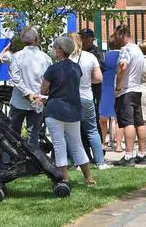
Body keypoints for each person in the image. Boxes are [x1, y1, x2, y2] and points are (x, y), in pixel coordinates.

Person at [39, 37, 96, 185]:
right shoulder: (76, 68)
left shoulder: (52, 69)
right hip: (74, 109)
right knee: (77, 144)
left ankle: (64, 178)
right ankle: (88, 177)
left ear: (60, 50)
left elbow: (43, 89)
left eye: (55, 47)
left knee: (59, 145)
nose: (53, 50)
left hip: (55, 109)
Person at [8, 26, 52, 149]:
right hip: (38, 100)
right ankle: (33, 162)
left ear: (23, 40)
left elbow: (16, 79)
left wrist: (27, 94)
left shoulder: (16, 57)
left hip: (19, 100)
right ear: (37, 39)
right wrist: (41, 96)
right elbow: (48, 80)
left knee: (13, 134)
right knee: (33, 135)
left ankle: (12, 159)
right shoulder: (46, 58)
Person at [113, 25, 146, 167]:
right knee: (139, 122)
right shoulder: (138, 49)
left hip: (126, 90)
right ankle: (142, 153)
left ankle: (129, 155)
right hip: (136, 89)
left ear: (122, 35)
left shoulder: (126, 49)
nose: (115, 39)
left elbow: (122, 66)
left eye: (116, 36)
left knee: (128, 123)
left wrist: (118, 85)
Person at [69, 33, 106, 169]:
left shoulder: (68, 58)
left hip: (71, 97)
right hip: (87, 95)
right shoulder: (90, 57)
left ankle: (78, 162)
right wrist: (86, 81)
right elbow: (99, 78)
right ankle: (100, 162)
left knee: (75, 131)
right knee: (92, 130)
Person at [99, 35, 124, 151]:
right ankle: (118, 145)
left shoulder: (104, 56)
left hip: (105, 86)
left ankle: (103, 142)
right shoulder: (123, 56)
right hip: (119, 86)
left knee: (103, 117)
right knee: (118, 117)